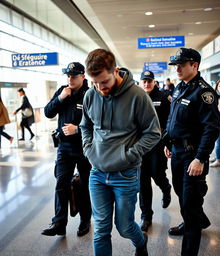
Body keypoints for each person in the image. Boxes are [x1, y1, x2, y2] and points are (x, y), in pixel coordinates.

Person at [80, 49, 161, 256]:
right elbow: (85, 126)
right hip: (97, 173)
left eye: (104, 81)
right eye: (95, 82)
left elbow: (153, 133)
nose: (100, 88)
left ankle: (141, 241)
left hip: (125, 174)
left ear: (115, 71)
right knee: (100, 229)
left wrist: (130, 155)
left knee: (124, 227)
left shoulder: (138, 96)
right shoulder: (91, 95)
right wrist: (89, 150)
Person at [164, 48, 220, 256]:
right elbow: (172, 119)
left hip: (192, 155)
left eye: (181, 65)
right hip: (177, 151)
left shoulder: (204, 93)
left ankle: (191, 236)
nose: (177, 68)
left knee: (190, 204)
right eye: (175, 65)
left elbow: (211, 128)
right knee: (181, 194)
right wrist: (168, 141)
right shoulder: (179, 88)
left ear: (194, 65)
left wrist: (200, 158)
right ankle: (195, 220)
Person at [42, 62, 92, 237]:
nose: (70, 79)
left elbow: (99, 124)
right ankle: (59, 222)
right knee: (61, 183)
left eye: (74, 76)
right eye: (68, 76)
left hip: (85, 148)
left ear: (82, 77)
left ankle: (85, 220)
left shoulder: (90, 94)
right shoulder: (63, 91)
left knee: (85, 186)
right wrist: (60, 98)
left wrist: (77, 129)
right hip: (64, 147)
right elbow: (48, 112)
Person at [138, 70, 172, 232]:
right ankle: (146, 216)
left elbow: (170, 120)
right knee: (142, 181)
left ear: (154, 82)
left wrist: (167, 140)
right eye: (144, 81)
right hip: (141, 147)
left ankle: (166, 188)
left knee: (158, 176)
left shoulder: (163, 97)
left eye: (149, 81)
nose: (146, 84)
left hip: (158, 146)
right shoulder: (136, 97)